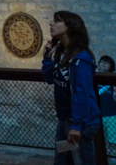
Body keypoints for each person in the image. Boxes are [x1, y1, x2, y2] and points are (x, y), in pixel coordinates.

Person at [43, 10, 101, 165]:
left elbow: (82, 93)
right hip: (65, 120)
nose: (51, 24)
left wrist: (77, 126)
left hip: (80, 123)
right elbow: (50, 79)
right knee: (61, 161)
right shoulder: (61, 53)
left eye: (57, 21)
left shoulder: (81, 59)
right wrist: (47, 58)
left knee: (82, 161)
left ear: (69, 26)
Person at [96, 54, 116, 158]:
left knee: (114, 143)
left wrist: (114, 83)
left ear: (111, 67)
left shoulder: (114, 80)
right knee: (97, 142)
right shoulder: (93, 78)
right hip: (97, 115)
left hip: (113, 115)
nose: (103, 64)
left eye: (107, 62)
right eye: (102, 61)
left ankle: (115, 160)